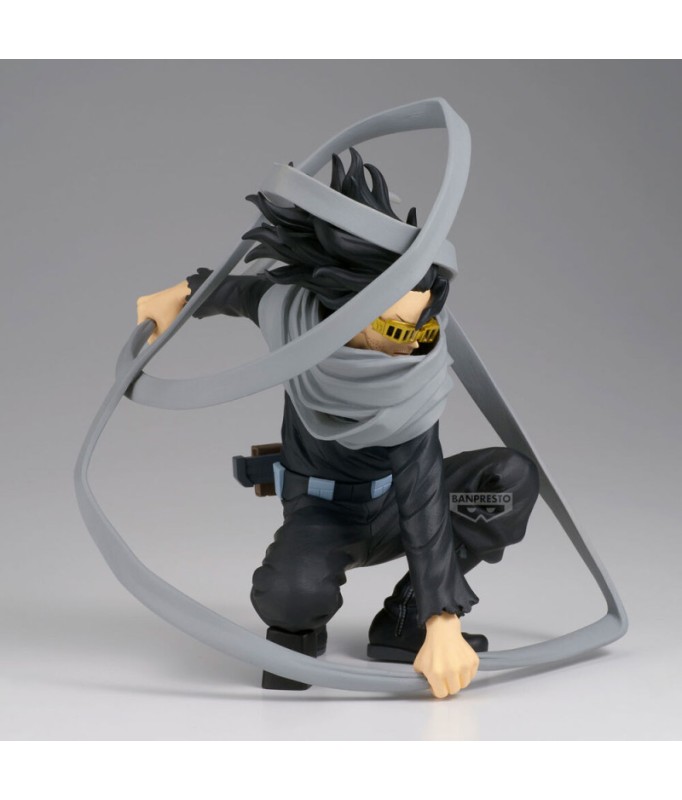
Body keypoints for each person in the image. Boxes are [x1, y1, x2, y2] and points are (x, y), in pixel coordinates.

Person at [136, 149, 540, 698]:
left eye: (424, 327)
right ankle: (298, 636)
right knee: (288, 596)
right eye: (398, 331)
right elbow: (237, 292)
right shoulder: (296, 322)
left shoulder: (409, 385)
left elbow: (423, 501)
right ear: (344, 313)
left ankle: (407, 618)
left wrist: (441, 620)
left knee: (504, 484)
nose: (414, 345)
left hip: (398, 504)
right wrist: (180, 295)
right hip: (323, 514)